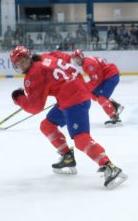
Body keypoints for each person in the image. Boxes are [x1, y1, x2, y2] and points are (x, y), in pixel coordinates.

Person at [9, 45, 127, 189]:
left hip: (74, 100)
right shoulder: (45, 55)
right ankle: (67, 158)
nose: (22, 64)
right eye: (18, 63)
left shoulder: (33, 74)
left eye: (23, 60)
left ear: (29, 57)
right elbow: (62, 57)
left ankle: (110, 168)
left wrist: (19, 98)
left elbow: (35, 107)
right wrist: (62, 85)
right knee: (47, 125)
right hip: (71, 95)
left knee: (80, 139)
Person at [71, 49, 125, 126]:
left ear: (81, 56)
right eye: (74, 59)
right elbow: (96, 79)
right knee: (92, 93)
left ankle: (114, 117)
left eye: (77, 58)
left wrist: (84, 88)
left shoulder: (88, 64)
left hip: (110, 76)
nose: (76, 61)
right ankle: (115, 106)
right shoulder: (86, 62)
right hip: (108, 76)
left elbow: (96, 80)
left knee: (101, 98)